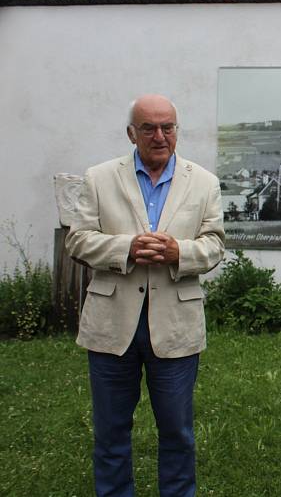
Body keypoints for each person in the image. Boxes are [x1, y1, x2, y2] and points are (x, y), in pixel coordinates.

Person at [66, 94, 225, 497]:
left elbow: (215, 246)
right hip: (112, 325)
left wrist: (179, 253)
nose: (160, 136)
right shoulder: (99, 177)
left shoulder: (204, 182)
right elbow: (79, 240)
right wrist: (127, 249)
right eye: (149, 128)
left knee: (177, 432)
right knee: (111, 431)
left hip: (175, 326)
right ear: (131, 133)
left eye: (168, 127)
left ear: (177, 130)